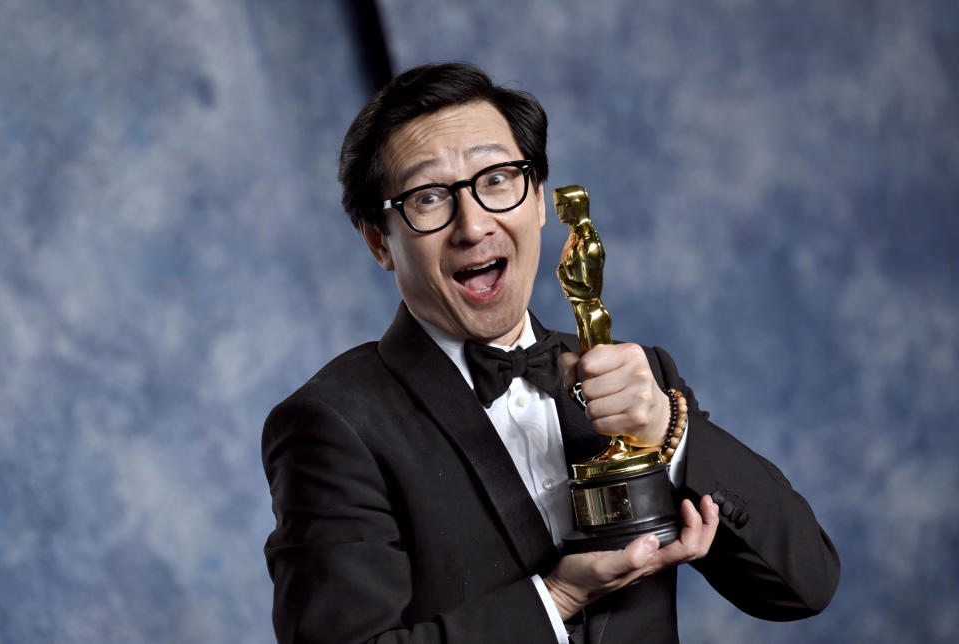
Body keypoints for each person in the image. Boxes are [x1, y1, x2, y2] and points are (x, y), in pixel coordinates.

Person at [262, 63, 840, 644]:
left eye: (497, 179)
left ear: (538, 199)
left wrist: (671, 431)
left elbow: (803, 586)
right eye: (428, 197)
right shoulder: (332, 424)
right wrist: (558, 598)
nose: (473, 224)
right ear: (377, 241)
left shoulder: (637, 377)